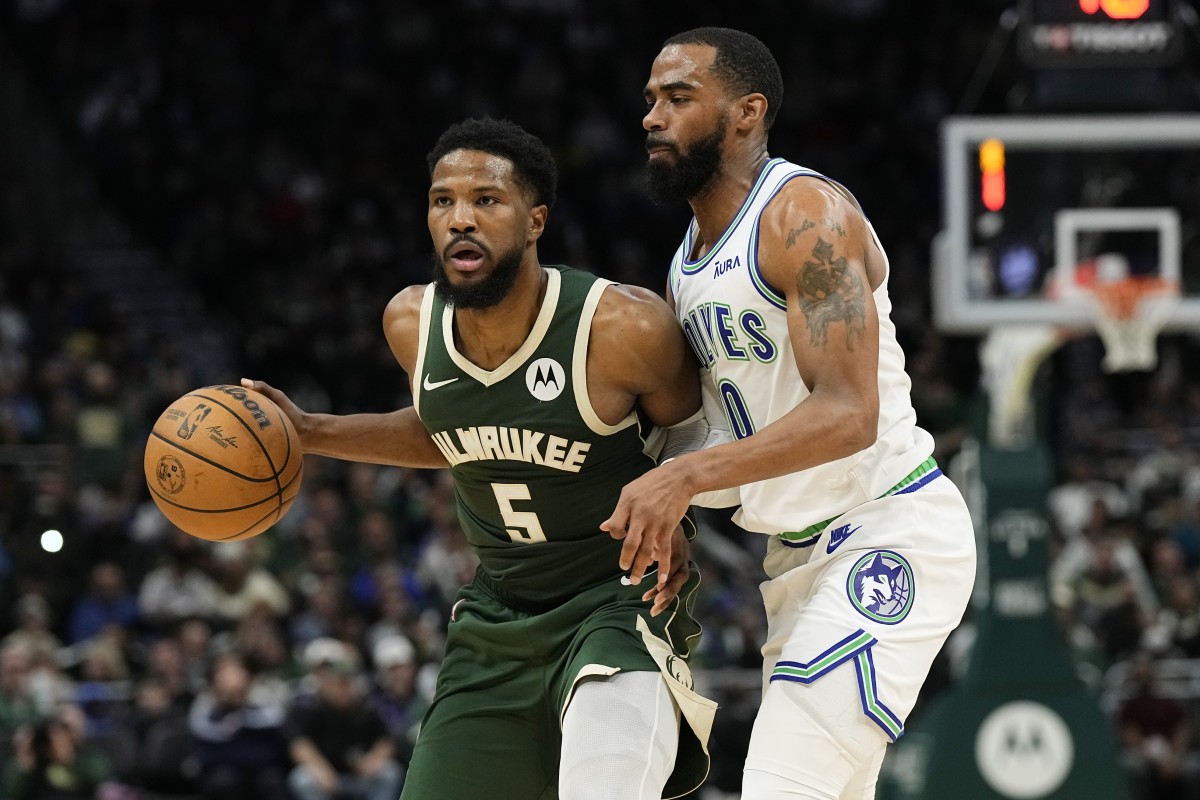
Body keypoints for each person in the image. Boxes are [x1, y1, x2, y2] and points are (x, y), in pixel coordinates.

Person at [244, 116, 715, 800]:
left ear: (535, 220)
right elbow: (449, 427)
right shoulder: (410, 322)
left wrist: (677, 501)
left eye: (486, 200)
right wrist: (311, 430)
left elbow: (696, 438)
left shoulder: (623, 328)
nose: (461, 218)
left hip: (619, 602)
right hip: (496, 613)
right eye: (443, 201)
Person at [605, 28, 977, 799]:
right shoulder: (687, 263)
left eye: (677, 97)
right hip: (794, 563)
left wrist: (681, 476)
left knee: (779, 784)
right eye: (649, 100)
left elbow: (849, 414)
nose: (651, 117)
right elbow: (733, 434)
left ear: (747, 112)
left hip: (887, 527)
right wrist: (672, 499)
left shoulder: (804, 213)